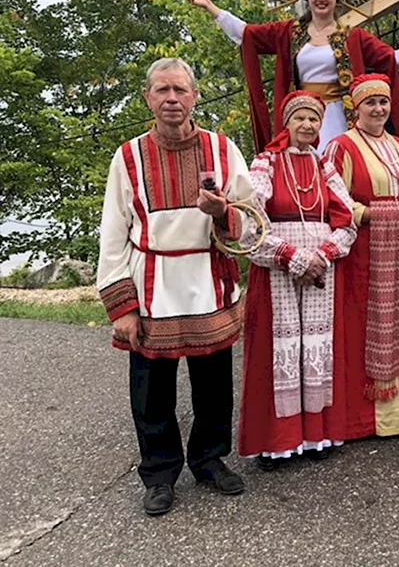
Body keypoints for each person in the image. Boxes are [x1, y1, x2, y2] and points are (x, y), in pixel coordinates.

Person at [97, 58, 252, 516]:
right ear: (147, 97)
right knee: (152, 389)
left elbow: (250, 222)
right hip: (151, 287)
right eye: (162, 90)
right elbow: (111, 234)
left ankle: (209, 459)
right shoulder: (127, 157)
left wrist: (223, 212)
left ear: (195, 96)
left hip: (208, 280)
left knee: (213, 382)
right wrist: (121, 305)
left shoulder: (224, 150)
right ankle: (159, 473)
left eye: (180, 90)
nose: (171, 99)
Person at [176, 0, 399, 156]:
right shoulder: (288, 32)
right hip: (303, 116)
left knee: (343, 169)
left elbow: (392, 60)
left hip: (343, 117)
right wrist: (212, 8)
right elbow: (246, 34)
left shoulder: (352, 37)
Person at [237, 91, 358, 467]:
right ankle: (276, 442)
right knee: (279, 351)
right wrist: (293, 257)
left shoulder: (325, 166)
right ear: (286, 123)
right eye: (300, 118)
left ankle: (316, 436)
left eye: (314, 120)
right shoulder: (265, 163)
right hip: (278, 270)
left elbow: (347, 220)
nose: (307, 125)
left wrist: (322, 255)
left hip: (321, 269)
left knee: (317, 348)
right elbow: (248, 225)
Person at [323, 74, 399, 439]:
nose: (379, 109)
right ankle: (368, 419)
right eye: (371, 102)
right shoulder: (342, 146)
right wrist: (368, 214)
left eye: (383, 102)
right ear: (355, 106)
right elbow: (332, 199)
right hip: (368, 251)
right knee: (371, 326)